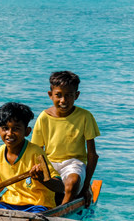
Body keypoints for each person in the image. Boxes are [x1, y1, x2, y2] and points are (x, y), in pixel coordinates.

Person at [0, 102, 65, 213]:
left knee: (28, 219)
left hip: (36, 205)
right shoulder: (0, 152)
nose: (9, 133)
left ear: (27, 131)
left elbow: (60, 187)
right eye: (5, 128)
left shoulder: (35, 152)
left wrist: (42, 178)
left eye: (16, 128)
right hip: (8, 203)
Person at [30, 70, 100, 206]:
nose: (63, 100)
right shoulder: (44, 117)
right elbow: (37, 151)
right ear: (50, 95)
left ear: (77, 95)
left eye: (68, 95)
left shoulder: (85, 116)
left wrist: (85, 186)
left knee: (72, 182)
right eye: (59, 95)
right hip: (50, 163)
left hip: (74, 163)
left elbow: (92, 155)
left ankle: (62, 211)